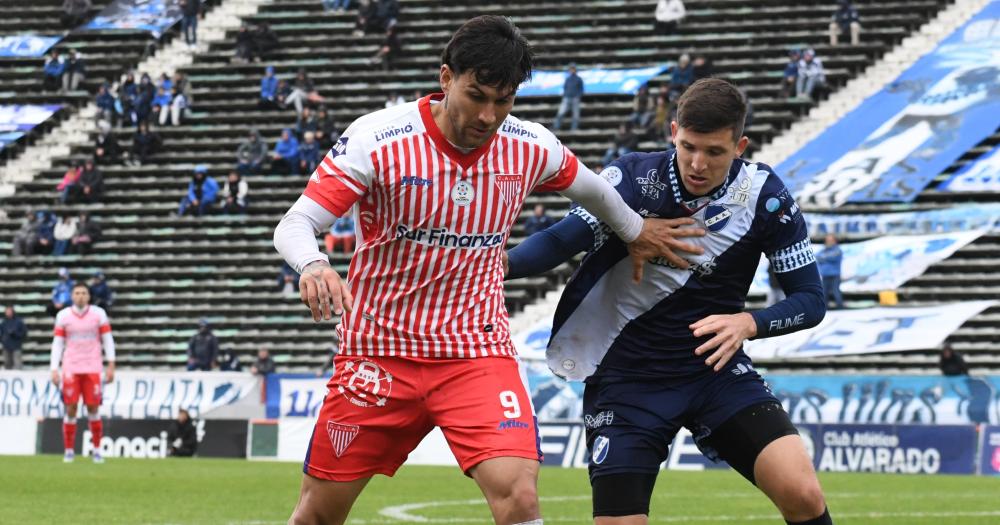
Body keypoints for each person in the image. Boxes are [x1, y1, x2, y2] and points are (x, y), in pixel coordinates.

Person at [273, 15, 696, 525]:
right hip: (378, 354)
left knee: (519, 496)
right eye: (477, 95)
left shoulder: (528, 143)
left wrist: (635, 231)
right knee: (317, 515)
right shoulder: (378, 138)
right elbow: (296, 222)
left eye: (504, 100)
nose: (489, 115)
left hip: (475, 353)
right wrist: (314, 263)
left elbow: (595, 190)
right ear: (446, 78)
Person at [505, 78, 833, 525]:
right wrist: (492, 266)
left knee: (803, 492)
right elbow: (562, 240)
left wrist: (749, 323)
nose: (698, 164)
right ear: (673, 132)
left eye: (715, 152)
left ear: (740, 146)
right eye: (688, 146)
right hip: (627, 380)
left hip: (714, 373)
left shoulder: (765, 197)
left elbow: (811, 299)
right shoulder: (634, 180)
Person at [50, 282, 116, 463]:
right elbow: (57, 343)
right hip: (71, 367)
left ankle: (96, 450)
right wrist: (54, 368)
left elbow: (107, 340)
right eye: (77, 293)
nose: (80, 296)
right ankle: (69, 450)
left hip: (93, 367)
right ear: (72, 296)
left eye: (83, 293)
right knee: (71, 407)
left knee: (93, 407)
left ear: (88, 296)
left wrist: (111, 364)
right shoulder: (63, 316)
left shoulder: (98, 314)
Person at [552, 63, 583, 131]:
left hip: (575, 98)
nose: (572, 70)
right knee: (561, 113)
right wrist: (565, 95)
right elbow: (565, 88)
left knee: (575, 115)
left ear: (575, 70)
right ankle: (556, 127)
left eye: (573, 69)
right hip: (566, 98)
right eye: (571, 69)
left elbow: (581, 89)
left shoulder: (579, 79)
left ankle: (574, 129)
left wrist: (578, 96)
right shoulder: (567, 79)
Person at [816, 234, 843, 309]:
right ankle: (824, 307)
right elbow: (817, 256)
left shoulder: (838, 250)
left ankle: (840, 306)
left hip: (835, 274)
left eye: (830, 240)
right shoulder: (824, 250)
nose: (828, 242)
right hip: (825, 274)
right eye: (827, 240)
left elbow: (833, 258)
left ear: (835, 241)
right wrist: (827, 258)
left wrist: (824, 258)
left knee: (836, 291)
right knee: (824, 292)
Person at [1, 305, 27, 370]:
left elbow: (24, 333)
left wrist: (15, 334)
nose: (8, 313)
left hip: (16, 346)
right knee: (7, 364)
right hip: (6, 346)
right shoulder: (3, 322)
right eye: (7, 311)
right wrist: (3, 340)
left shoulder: (19, 321)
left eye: (9, 311)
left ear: (13, 311)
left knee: (18, 364)